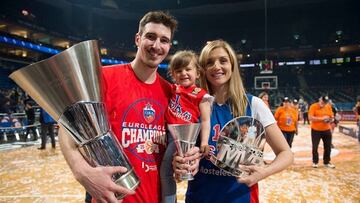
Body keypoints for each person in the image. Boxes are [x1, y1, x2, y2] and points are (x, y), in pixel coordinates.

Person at [58, 11, 200, 203]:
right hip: (111, 198)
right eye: (151, 37)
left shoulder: (172, 93)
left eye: (164, 40)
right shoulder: (104, 78)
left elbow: (176, 146)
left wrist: (186, 159)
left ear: (169, 46)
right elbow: (67, 130)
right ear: (137, 39)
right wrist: (82, 173)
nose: (156, 46)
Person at [173, 40, 293, 202]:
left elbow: (286, 154)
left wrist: (263, 172)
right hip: (199, 197)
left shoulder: (254, 105)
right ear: (202, 70)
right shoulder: (190, 106)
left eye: (223, 61)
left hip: (240, 197)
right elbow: (181, 153)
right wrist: (180, 164)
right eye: (210, 62)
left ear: (233, 66)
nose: (216, 66)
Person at [161, 50, 212, 203]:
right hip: (169, 135)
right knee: (168, 172)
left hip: (183, 138)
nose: (183, 73)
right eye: (178, 70)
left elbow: (205, 120)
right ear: (173, 74)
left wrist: (204, 142)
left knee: (165, 173)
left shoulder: (201, 95)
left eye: (188, 69)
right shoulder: (173, 89)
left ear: (198, 73)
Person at [308, 95, 335, 169]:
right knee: (315, 147)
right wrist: (322, 119)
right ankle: (315, 162)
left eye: (325, 102)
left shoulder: (328, 106)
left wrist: (330, 119)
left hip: (326, 130)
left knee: (328, 147)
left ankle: (326, 162)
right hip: (316, 130)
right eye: (323, 102)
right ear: (320, 100)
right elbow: (310, 118)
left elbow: (331, 117)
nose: (323, 104)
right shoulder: (313, 106)